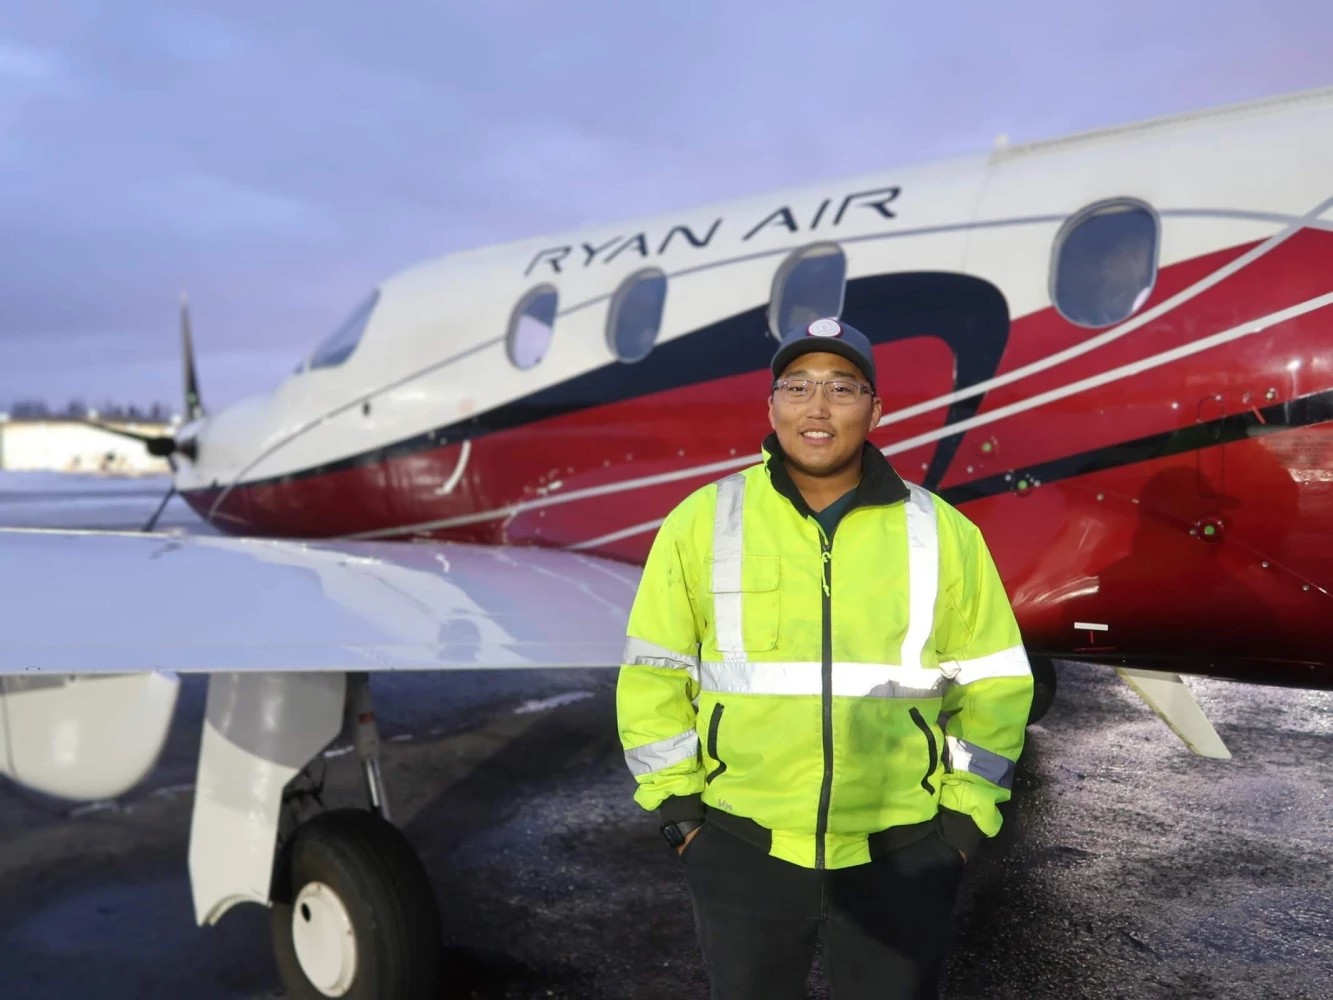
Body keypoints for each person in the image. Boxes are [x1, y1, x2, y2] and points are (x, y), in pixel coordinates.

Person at [616, 317, 1033, 999]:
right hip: (742, 852)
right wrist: (682, 820)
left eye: (841, 389)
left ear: (873, 410)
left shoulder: (942, 532)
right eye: (797, 387)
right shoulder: (701, 519)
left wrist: (959, 826)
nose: (817, 407)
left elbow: (993, 685)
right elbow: (654, 675)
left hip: (901, 855)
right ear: (771, 406)